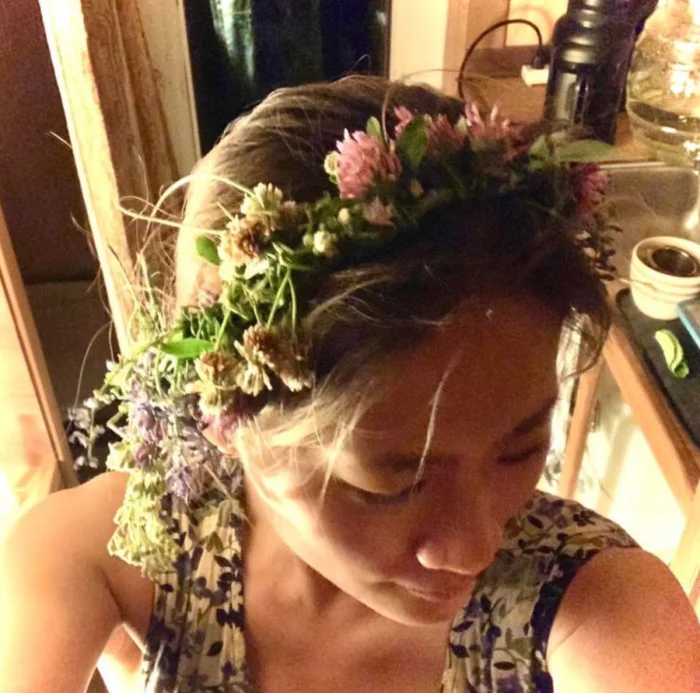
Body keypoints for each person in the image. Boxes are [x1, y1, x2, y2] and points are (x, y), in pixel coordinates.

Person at [0, 75, 698, 693]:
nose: (475, 547)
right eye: (392, 484)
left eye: (519, 448)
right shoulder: (130, 556)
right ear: (230, 420)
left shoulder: (591, 604)